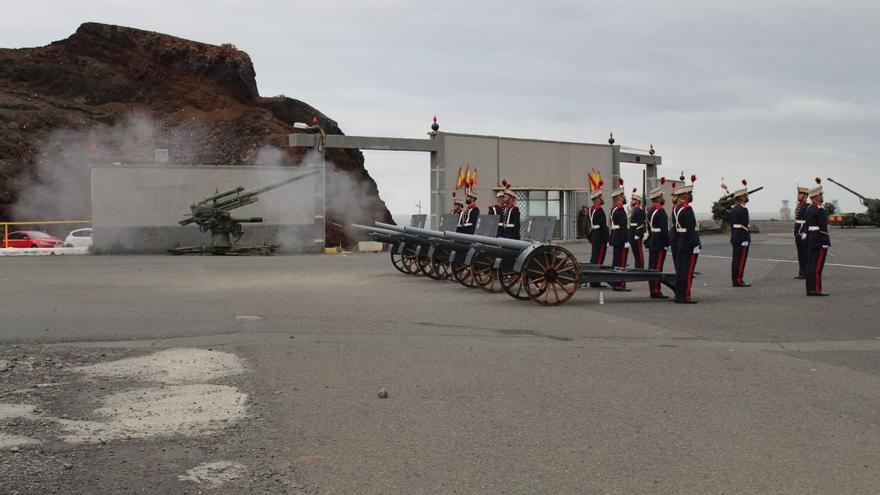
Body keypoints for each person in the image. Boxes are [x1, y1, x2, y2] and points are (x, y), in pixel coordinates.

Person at [673, 177, 701, 304]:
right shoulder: (686, 209)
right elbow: (690, 229)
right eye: (690, 194)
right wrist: (696, 243)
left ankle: (679, 295)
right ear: (684, 195)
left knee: (680, 270)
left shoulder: (676, 208)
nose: (691, 196)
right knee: (687, 271)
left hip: (680, 241)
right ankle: (685, 296)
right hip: (688, 243)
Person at [804, 178, 830, 296]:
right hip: (819, 240)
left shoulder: (809, 209)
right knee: (817, 267)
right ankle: (815, 289)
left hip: (811, 238)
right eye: (820, 195)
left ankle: (810, 289)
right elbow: (823, 228)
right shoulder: (819, 210)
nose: (822, 197)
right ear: (816, 197)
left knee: (811, 265)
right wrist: (825, 241)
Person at [646, 179, 670, 299]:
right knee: (658, 267)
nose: (663, 198)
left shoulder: (650, 211)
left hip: (653, 240)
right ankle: (656, 290)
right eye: (661, 196)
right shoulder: (660, 212)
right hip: (660, 241)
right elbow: (664, 230)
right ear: (658, 198)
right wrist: (667, 242)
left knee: (652, 266)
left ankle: (652, 289)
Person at [608, 180, 630, 291]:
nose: (625, 198)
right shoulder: (620, 210)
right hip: (621, 239)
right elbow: (623, 227)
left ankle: (614, 282)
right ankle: (619, 284)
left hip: (616, 237)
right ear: (619, 198)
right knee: (620, 262)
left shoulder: (613, 209)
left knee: (616, 260)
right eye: (623, 196)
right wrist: (626, 240)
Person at [730, 180, 752, 287]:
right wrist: (745, 238)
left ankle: (735, 279)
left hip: (735, 236)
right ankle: (739, 279)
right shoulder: (743, 209)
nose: (747, 197)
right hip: (742, 237)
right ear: (742, 197)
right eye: (745, 196)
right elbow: (744, 225)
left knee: (736, 259)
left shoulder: (734, 209)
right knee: (740, 260)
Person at [587, 187, 608, 287]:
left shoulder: (591, 209)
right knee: (599, 259)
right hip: (600, 236)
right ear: (597, 199)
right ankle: (596, 280)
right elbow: (603, 226)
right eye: (601, 197)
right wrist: (606, 239)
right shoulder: (599, 210)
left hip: (594, 234)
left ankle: (592, 280)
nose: (602, 198)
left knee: (594, 258)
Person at [793, 185, 810, 279]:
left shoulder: (807, 206)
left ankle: (806, 273)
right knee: (800, 253)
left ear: (805, 195)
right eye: (798, 193)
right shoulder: (799, 205)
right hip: (798, 232)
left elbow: (808, 221)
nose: (798, 195)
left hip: (803, 232)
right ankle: (801, 272)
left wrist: (805, 233)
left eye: (800, 194)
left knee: (804, 253)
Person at [628, 188, 646, 269]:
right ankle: (637, 267)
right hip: (632, 234)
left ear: (638, 201)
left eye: (634, 200)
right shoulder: (633, 210)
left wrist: (638, 234)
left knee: (639, 253)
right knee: (635, 253)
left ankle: (641, 267)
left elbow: (641, 224)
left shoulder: (640, 211)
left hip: (636, 234)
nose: (632, 201)